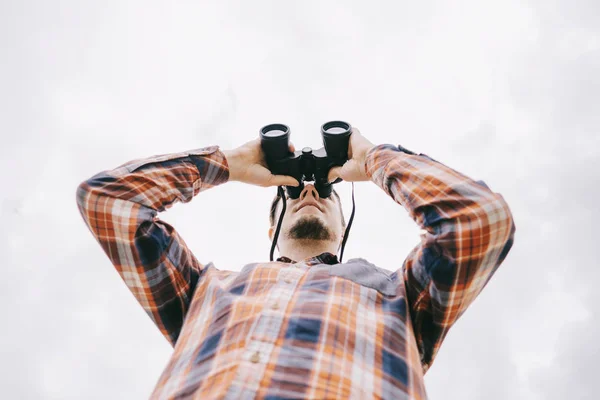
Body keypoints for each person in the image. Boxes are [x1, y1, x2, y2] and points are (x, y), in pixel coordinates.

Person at [76, 127, 515, 399]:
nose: (309, 192)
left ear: (343, 224)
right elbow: (108, 200)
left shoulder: (403, 294)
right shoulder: (205, 291)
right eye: (292, 193)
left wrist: (372, 158)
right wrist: (229, 164)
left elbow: (478, 219)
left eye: (327, 193)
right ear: (272, 228)